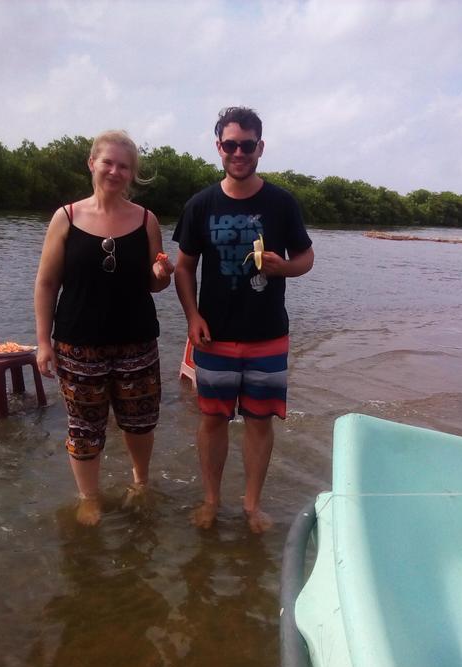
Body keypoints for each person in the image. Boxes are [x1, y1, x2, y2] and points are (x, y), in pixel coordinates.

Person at [173, 106, 314, 533]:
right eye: (230, 144)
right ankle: (211, 501)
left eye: (246, 145)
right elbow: (183, 267)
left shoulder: (281, 202)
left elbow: (305, 257)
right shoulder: (201, 204)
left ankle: (252, 505)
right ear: (218, 147)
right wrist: (192, 316)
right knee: (212, 419)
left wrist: (282, 268)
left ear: (260, 148)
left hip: (268, 334)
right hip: (213, 335)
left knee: (259, 422)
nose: (238, 152)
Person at [34, 130, 174, 525]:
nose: (115, 171)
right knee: (84, 427)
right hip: (78, 344)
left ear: (132, 174)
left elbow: (154, 282)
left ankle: (140, 483)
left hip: (137, 341)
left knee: (141, 420)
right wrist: (43, 343)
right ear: (91, 164)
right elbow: (46, 283)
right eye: (108, 162)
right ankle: (89, 497)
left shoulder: (147, 220)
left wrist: (163, 272)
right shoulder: (66, 217)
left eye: (124, 166)